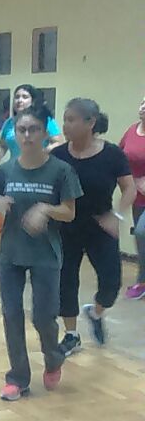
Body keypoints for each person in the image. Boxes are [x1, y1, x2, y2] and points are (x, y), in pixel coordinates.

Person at [0, 104, 81, 402]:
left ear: (45, 133)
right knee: (11, 314)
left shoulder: (61, 170)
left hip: (45, 254)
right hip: (11, 253)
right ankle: (17, 378)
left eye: (33, 130)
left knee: (43, 317)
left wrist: (45, 209)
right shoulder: (5, 170)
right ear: (15, 133)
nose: (27, 135)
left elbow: (69, 212)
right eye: (21, 130)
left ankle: (53, 357)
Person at [51, 99, 135, 353]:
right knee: (66, 281)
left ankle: (96, 312)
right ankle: (71, 335)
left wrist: (116, 216)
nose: (66, 125)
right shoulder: (58, 155)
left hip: (100, 226)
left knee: (111, 283)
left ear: (90, 123)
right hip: (67, 226)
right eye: (65, 120)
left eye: (71, 120)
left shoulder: (112, 155)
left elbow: (129, 188)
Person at [119, 93, 145, 300]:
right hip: (137, 197)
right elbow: (120, 156)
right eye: (143, 102)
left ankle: (142, 281)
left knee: (142, 232)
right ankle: (142, 280)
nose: (144, 107)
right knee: (141, 238)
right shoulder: (131, 131)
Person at [0, 85, 62, 162]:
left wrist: (42, 153)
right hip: (15, 166)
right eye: (17, 97)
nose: (19, 100)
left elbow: (58, 143)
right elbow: (2, 145)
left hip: (39, 165)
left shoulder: (45, 120)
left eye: (25, 97)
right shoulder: (9, 123)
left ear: (33, 101)